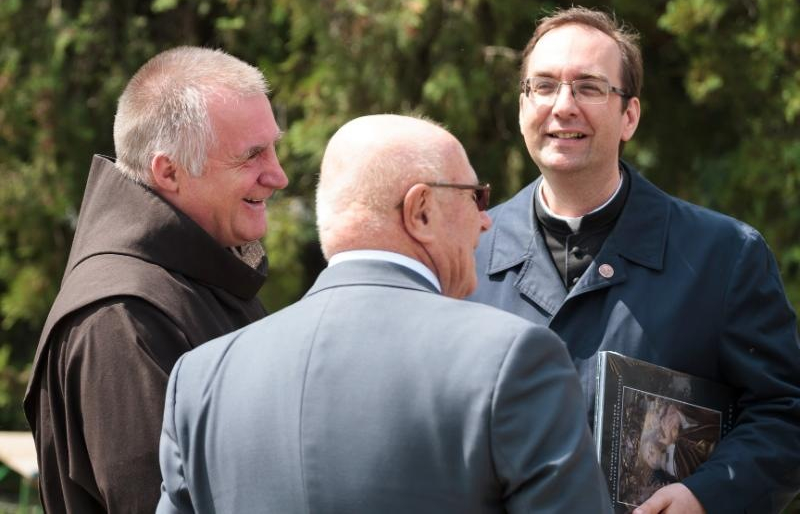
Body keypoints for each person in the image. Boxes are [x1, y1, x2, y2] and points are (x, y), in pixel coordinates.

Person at [156, 114, 612, 514]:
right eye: (475, 197)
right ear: (421, 211)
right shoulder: (512, 358)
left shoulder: (200, 379)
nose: (486, 219)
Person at [468, 6, 800, 514]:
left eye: (589, 87)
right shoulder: (466, 254)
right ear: (522, 107)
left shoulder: (723, 257)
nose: (563, 106)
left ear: (630, 116)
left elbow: (786, 413)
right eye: (544, 86)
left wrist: (707, 495)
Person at [23, 46, 288, 513]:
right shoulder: (121, 319)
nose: (278, 175)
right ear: (169, 171)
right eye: (252, 156)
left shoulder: (201, 280)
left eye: (273, 148)